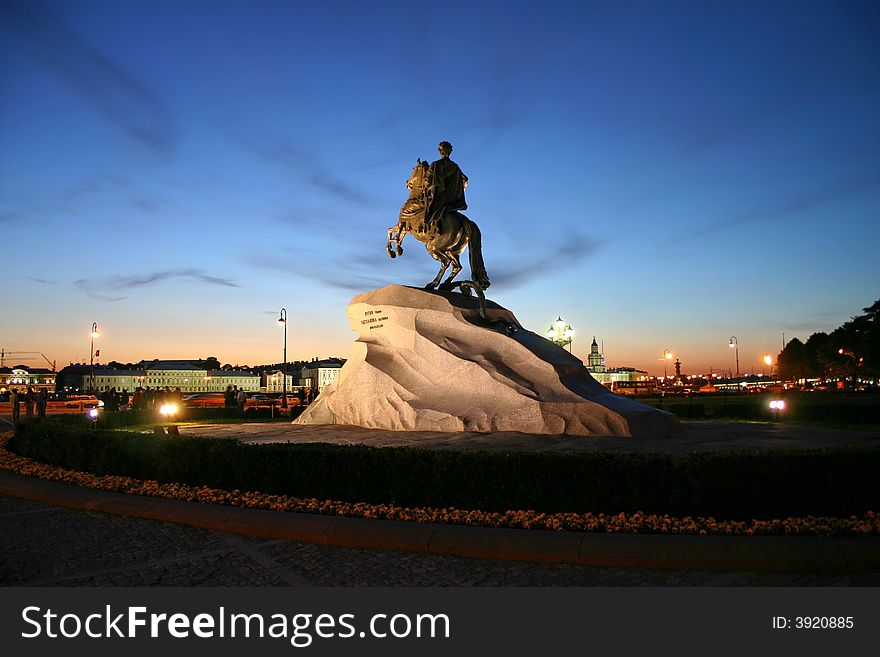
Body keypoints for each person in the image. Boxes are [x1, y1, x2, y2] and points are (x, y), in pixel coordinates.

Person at [425, 141, 468, 232]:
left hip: (440, 197)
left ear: (440, 151)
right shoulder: (455, 166)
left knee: (428, 208)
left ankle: (432, 224)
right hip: (453, 199)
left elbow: (427, 182)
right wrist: (460, 189)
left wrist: (427, 188)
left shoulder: (435, 164)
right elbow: (465, 179)